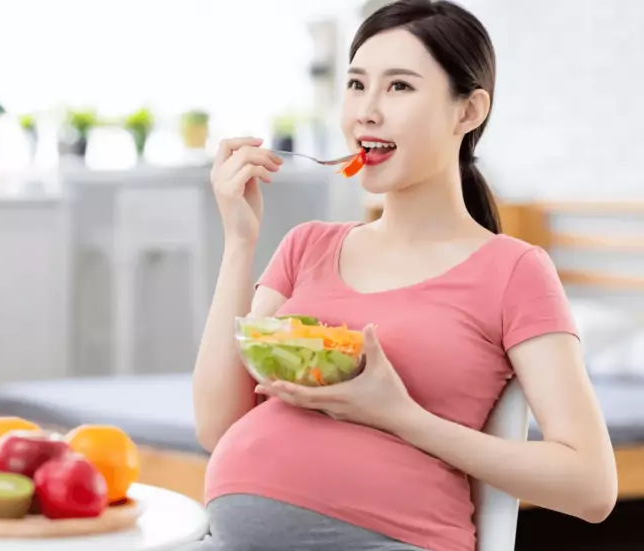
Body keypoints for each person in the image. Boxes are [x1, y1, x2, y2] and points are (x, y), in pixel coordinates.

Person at [188, 1, 617, 550]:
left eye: (399, 87)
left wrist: (400, 417)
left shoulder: (514, 271)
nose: (366, 111)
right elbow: (217, 424)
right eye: (356, 84)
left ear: (469, 111)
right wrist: (239, 243)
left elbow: (591, 487)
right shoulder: (306, 246)